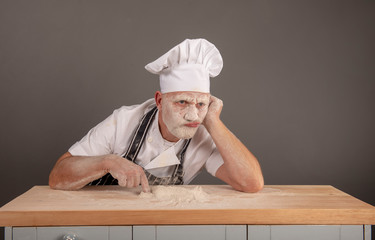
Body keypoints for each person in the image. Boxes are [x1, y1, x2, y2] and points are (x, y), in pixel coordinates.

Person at [49, 38, 264, 193]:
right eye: (182, 102)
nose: (192, 115)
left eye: (200, 103)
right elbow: (57, 176)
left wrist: (213, 121)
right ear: (160, 101)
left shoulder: (202, 135)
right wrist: (108, 162)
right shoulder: (123, 121)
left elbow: (251, 183)